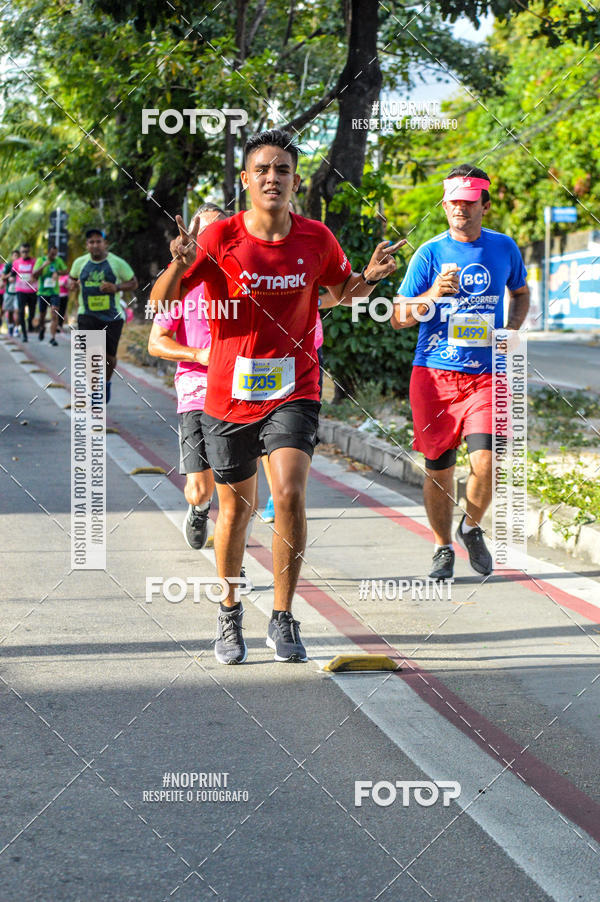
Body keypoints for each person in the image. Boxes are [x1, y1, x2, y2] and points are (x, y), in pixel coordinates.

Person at [150, 128, 403, 665]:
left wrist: (370, 278)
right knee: (234, 511)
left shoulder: (316, 238)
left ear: (295, 181)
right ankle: (229, 610)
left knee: (288, 493)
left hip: (295, 387)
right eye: (262, 170)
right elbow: (160, 304)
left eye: (282, 170)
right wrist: (178, 262)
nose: (273, 178)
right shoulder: (218, 239)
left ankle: (284, 615)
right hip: (227, 394)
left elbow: (338, 294)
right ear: (246, 180)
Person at [390, 165, 530, 580]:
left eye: (468, 202)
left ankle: (470, 526)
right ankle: (442, 546)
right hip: (434, 376)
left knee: (488, 461)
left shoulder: (504, 247)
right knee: (439, 469)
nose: (460, 209)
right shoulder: (429, 253)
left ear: (485, 205)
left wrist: (511, 330)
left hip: (487, 376)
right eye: (453, 202)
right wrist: (433, 293)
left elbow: (520, 292)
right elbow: (398, 317)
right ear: (445, 204)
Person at [148, 204, 226, 552]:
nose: (211, 239)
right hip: (196, 391)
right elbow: (156, 343)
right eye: (203, 233)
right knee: (200, 488)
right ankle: (199, 507)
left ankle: (232, 559)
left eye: (219, 231)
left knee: (238, 488)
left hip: (241, 392)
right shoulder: (181, 282)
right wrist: (198, 355)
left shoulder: (243, 278)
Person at [69, 229, 138, 402]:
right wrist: (72, 285)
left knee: (109, 358)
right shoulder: (80, 263)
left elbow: (134, 283)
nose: (95, 245)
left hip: (112, 317)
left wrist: (117, 287)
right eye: (91, 242)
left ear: (105, 244)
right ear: (87, 245)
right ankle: (94, 392)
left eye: (98, 241)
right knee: (89, 355)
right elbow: (72, 279)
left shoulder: (117, 263)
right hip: (87, 315)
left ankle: (105, 382)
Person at [33, 246, 67, 344]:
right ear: (48, 252)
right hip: (43, 292)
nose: (53, 256)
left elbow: (66, 271)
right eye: (52, 254)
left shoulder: (58, 260)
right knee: (42, 315)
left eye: (55, 254)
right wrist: (43, 266)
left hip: (54, 292)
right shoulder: (41, 260)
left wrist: (58, 272)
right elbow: (34, 275)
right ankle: (42, 327)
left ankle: (52, 338)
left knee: (54, 313)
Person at [13, 243, 38, 342]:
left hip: (32, 290)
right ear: (20, 252)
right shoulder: (16, 262)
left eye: (26, 251)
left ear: (29, 251)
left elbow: (39, 274)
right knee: (21, 312)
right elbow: (12, 274)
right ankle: (24, 334)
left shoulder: (34, 262)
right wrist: (10, 278)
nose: (25, 253)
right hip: (20, 290)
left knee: (32, 312)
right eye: (23, 252)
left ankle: (30, 320)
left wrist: (34, 277)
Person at [2, 251, 19, 337]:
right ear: (12, 257)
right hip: (9, 292)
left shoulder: (21, 265)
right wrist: (10, 274)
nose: (16, 257)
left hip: (19, 292)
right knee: (10, 311)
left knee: (17, 310)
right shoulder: (9, 265)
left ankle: (16, 328)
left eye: (18, 256)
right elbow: (3, 277)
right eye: (15, 256)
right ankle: (11, 327)